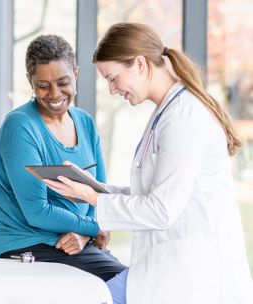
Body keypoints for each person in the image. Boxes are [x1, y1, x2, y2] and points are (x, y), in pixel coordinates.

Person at [44, 23, 253, 304]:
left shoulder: (184, 118)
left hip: (193, 276)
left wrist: (92, 197)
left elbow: (161, 210)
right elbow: (151, 193)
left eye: (114, 78)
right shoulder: (166, 114)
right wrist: (97, 188)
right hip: (168, 270)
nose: (113, 89)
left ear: (140, 64)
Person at [0, 34, 126, 282]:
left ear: (76, 74)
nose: (54, 94)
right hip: (22, 239)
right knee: (124, 283)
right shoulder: (20, 127)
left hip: (71, 238)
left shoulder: (85, 122)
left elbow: (98, 195)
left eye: (63, 82)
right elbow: (37, 212)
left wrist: (85, 235)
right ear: (30, 82)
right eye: (43, 85)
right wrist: (94, 228)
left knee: (139, 281)